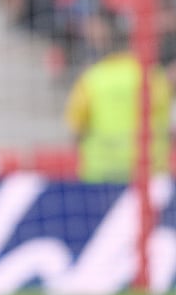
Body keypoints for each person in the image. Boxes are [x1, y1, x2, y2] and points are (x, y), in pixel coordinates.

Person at [65, 11, 171, 183]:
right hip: (148, 173)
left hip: (101, 176)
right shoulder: (153, 76)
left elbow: (76, 128)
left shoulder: (91, 78)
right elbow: (166, 123)